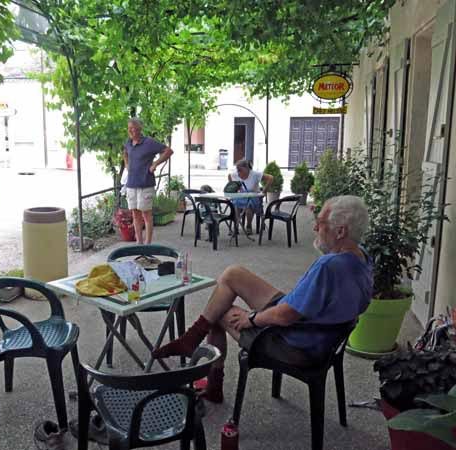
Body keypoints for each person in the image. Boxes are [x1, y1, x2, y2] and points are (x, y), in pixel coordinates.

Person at [152, 195, 373, 403]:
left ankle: (213, 385)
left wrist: (254, 318)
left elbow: (286, 316)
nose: (315, 227)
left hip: (294, 341)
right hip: (311, 327)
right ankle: (192, 339)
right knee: (232, 274)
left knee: (220, 312)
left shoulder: (329, 266)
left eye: (320, 222)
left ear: (340, 231)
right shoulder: (361, 257)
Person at [123, 118, 173, 244]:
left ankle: (147, 244)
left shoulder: (149, 142)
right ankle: (139, 243)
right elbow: (125, 153)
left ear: (140, 129)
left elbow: (168, 151)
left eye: (134, 128)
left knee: (146, 216)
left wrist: (155, 163)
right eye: (129, 128)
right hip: (131, 184)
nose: (131, 130)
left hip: (146, 184)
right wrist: (127, 165)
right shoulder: (128, 143)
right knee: (135, 215)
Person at [228, 159, 273, 234]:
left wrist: (264, 192)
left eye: (240, 170)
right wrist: (233, 187)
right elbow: (229, 176)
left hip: (254, 196)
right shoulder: (236, 174)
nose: (238, 172)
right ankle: (236, 226)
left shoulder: (255, 174)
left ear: (246, 168)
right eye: (237, 169)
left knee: (249, 205)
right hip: (241, 196)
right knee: (235, 203)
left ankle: (248, 226)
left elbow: (270, 178)